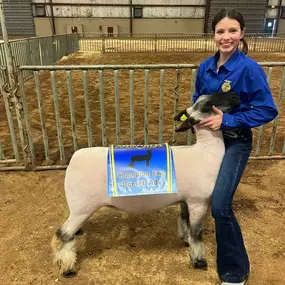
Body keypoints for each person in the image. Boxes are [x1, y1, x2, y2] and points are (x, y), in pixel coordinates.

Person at [192, 9, 278, 285]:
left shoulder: (249, 69)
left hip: (234, 143)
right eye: (220, 31)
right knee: (197, 192)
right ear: (213, 34)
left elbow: (267, 109)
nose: (226, 37)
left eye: (232, 31)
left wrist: (227, 120)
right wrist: (191, 118)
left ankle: (234, 271)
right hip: (206, 142)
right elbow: (198, 100)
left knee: (219, 205)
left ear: (241, 34)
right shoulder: (205, 67)